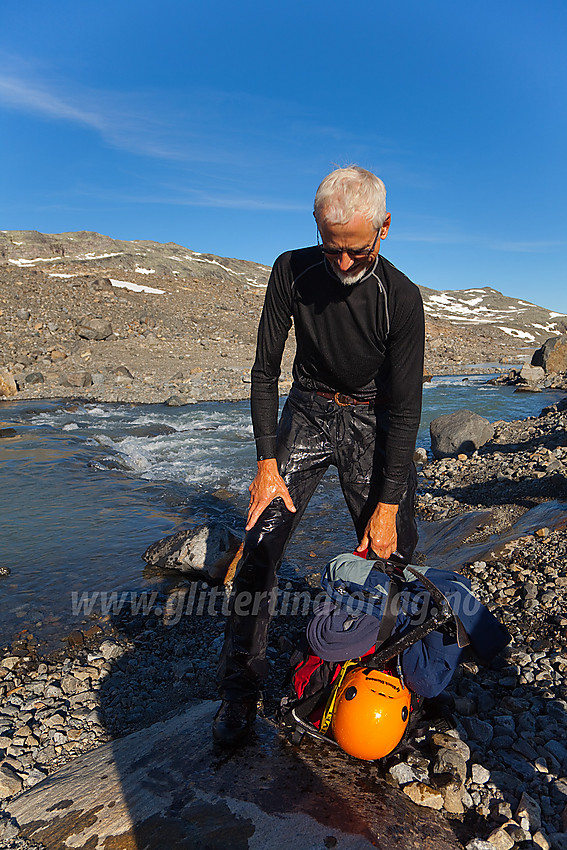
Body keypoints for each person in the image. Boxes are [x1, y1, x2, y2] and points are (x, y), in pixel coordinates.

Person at [213, 165, 425, 747]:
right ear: (317, 229)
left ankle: (384, 687)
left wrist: (385, 504)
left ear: (384, 229)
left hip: (372, 417)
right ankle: (238, 696)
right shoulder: (292, 269)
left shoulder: (401, 299)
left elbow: (406, 412)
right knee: (258, 547)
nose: (343, 264)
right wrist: (265, 463)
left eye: (356, 252)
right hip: (306, 410)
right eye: (332, 250)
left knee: (393, 554)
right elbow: (263, 372)